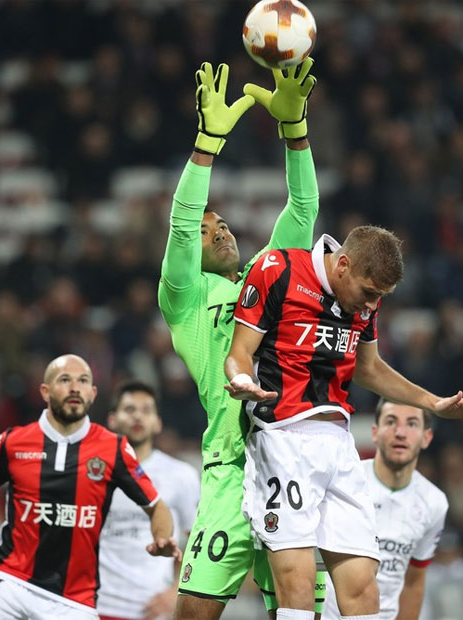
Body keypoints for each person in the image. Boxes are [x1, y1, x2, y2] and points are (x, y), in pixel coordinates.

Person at [224, 225, 463, 619]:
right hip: (283, 438)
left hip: (338, 442)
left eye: (380, 298)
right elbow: (240, 351)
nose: (371, 306)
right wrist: (241, 379)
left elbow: (367, 367)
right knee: (298, 588)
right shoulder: (277, 269)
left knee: (364, 591)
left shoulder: (366, 299)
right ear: (343, 266)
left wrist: (432, 403)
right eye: (369, 294)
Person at [158, 57, 325, 620]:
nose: (219, 228)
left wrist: (294, 131)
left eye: (222, 221)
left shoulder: (265, 275)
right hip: (229, 468)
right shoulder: (183, 297)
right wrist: (207, 142)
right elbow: (181, 222)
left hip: (290, 459)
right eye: (208, 230)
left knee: (299, 613)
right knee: (195, 614)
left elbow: (303, 211)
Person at [0, 354, 180, 620]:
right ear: (45, 391)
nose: (75, 387)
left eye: (83, 381)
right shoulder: (12, 442)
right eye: (65, 379)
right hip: (9, 580)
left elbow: (156, 506)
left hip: (73, 601)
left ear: (93, 393)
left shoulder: (114, 449)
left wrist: (161, 537)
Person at [321, 401, 447, 620]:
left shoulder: (434, 502)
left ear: (426, 437)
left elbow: (413, 581)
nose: (400, 432)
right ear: (375, 433)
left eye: (412, 424)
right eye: (391, 422)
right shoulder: (342, 482)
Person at [97, 380, 200, 620]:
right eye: (130, 409)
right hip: (96, 605)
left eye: (146, 410)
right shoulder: (94, 472)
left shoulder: (181, 475)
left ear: (158, 423)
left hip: (151, 608)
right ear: (112, 420)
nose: (138, 417)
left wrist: (177, 590)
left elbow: (198, 542)